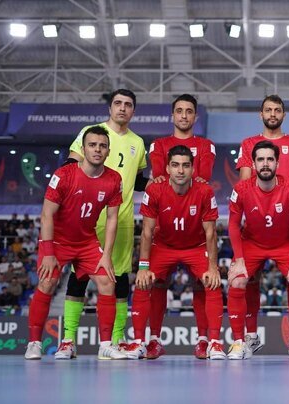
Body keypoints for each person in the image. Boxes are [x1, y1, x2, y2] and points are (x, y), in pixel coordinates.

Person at [57, 89, 147, 359]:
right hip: (86, 222)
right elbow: (70, 169)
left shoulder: (138, 143)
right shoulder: (92, 133)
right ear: (110, 108)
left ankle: (116, 340)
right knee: (79, 278)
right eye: (118, 103)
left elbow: (138, 181)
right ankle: (68, 340)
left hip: (121, 222)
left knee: (119, 280)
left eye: (128, 104)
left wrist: (160, 182)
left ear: (133, 111)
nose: (122, 108)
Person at [24, 126, 126, 360]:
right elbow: (46, 215)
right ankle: (34, 343)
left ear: (108, 151)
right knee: (47, 282)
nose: (97, 149)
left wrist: (106, 255)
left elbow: (112, 219)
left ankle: (106, 345)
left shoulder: (114, 179)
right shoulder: (64, 175)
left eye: (102, 146)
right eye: (92, 145)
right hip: (58, 241)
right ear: (83, 148)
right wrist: (48, 252)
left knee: (107, 282)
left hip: (87, 241)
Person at [125, 145, 225, 360]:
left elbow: (211, 233)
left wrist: (213, 267)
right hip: (163, 247)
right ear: (167, 169)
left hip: (196, 246)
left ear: (193, 169)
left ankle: (211, 342)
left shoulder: (204, 191)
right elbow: (147, 231)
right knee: (143, 282)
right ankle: (143, 342)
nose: (180, 170)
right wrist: (143, 267)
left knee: (212, 282)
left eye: (186, 165)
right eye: (175, 165)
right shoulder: (154, 190)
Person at [236, 94, 289, 353]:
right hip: (255, 229)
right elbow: (245, 184)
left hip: (288, 227)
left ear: (283, 115)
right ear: (261, 114)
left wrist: (281, 200)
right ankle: (250, 336)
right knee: (247, 279)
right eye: (268, 110)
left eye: (277, 110)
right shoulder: (248, 143)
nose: (272, 114)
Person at [148, 94, 216, 359]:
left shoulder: (207, 146)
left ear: (195, 117)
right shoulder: (158, 145)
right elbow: (159, 178)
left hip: (196, 234)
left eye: (189, 111)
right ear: (172, 115)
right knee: (156, 283)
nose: (184, 115)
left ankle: (204, 340)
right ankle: (152, 340)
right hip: (164, 234)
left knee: (203, 283)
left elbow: (202, 180)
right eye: (179, 111)